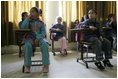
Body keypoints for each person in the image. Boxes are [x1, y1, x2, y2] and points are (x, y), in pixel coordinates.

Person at [21, 7, 50, 73]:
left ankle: (46, 65)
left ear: (38, 14)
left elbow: (43, 33)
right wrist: (27, 19)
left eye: (33, 11)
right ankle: (27, 66)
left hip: (40, 38)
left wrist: (38, 38)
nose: (31, 13)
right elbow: (23, 27)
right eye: (30, 12)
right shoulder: (28, 21)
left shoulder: (41, 23)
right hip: (30, 38)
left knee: (45, 45)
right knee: (27, 45)